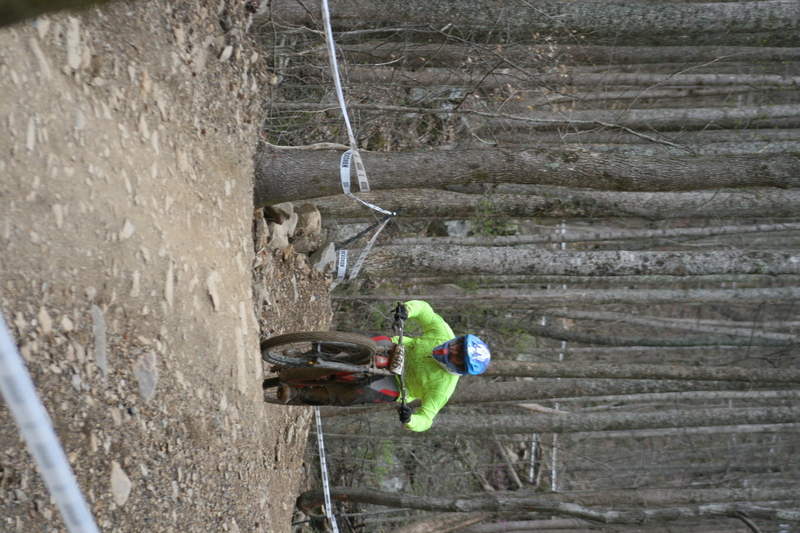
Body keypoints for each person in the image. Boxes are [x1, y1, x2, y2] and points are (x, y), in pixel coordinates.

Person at [277, 300, 491, 432]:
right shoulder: (443, 333)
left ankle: (297, 394)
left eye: (458, 357)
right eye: (458, 346)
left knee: (355, 395)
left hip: (396, 384)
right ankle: (307, 355)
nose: (453, 351)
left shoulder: (443, 387)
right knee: (355, 340)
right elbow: (426, 311)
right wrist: (407, 309)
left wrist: (411, 420)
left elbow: (426, 419)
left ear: (459, 368)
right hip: (395, 348)